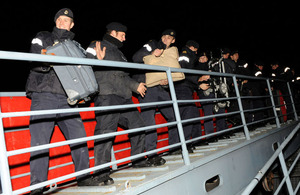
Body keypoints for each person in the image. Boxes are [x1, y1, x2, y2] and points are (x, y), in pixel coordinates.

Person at [26, 8, 102, 195]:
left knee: (79, 139)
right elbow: (34, 53)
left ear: (72, 24)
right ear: (55, 21)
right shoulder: (42, 36)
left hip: (68, 99)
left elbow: (85, 68)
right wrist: (50, 54)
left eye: (66, 20)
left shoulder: (76, 45)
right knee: (40, 143)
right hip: (44, 95)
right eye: (59, 19)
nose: (62, 23)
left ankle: (83, 178)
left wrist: (96, 61)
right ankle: (37, 187)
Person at [86, 22, 149, 185]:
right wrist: (96, 60)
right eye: (122, 34)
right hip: (106, 95)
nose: (125, 38)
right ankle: (101, 173)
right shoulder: (96, 45)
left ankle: (138, 160)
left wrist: (136, 86)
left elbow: (123, 76)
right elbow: (83, 62)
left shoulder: (120, 54)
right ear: (113, 33)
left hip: (123, 97)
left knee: (139, 125)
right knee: (106, 132)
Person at [132, 29, 181, 156]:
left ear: (173, 41)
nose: (166, 39)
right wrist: (152, 52)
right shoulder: (152, 43)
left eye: (169, 38)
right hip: (147, 88)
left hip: (161, 88)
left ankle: (175, 148)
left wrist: (167, 82)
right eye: (164, 36)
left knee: (174, 117)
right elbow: (136, 57)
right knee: (149, 121)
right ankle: (152, 154)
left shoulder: (172, 52)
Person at [174, 40, 203, 150]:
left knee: (194, 113)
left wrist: (198, 84)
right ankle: (184, 144)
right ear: (193, 47)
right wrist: (197, 79)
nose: (196, 52)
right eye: (196, 50)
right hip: (181, 88)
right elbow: (183, 71)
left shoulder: (189, 56)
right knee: (187, 114)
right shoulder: (185, 55)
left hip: (187, 88)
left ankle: (196, 140)